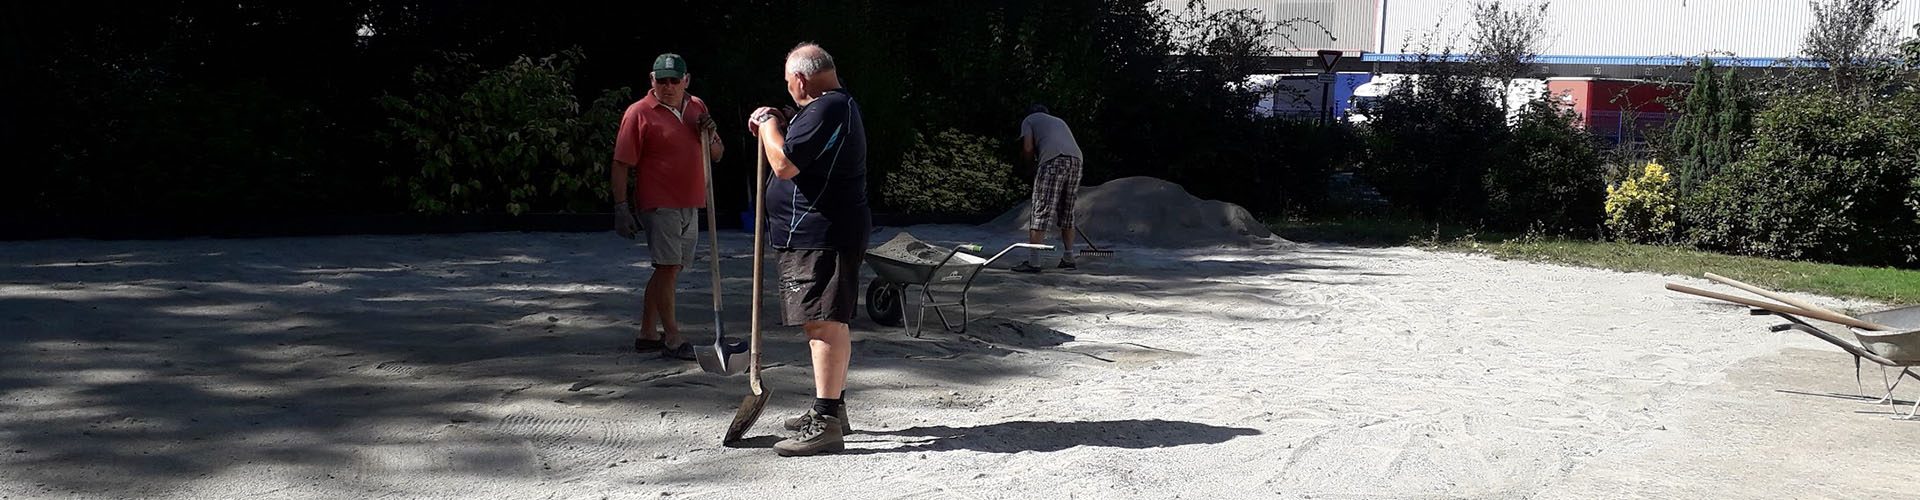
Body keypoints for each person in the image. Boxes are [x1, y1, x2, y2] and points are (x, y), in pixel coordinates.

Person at [747, 42, 871, 457]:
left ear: (800, 78)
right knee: (825, 321)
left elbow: (785, 164)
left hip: (821, 235)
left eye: (788, 84)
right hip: (819, 233)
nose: (788, 90)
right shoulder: (829, 108)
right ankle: (832, 406)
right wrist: (783, 120)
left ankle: (826, 421)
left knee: (823, 323)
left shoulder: (827, 108)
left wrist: (767, 124)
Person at [611, 53, 723, 361]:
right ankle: (673, 337)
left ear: (686, 80)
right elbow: (621, 163)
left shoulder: (697, 107)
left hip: (692, 201)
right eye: (662, 80)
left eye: (675, 80)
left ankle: (648, 333)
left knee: (669, 269)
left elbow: (716, 154)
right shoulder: (639, 113)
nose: (669, 86)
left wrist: (709, 134)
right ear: (652, 80)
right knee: (668, 267)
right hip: (659, 202)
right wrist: (621, 206)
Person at [1012, 104, 1085, 273]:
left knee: (1041, 208)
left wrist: (1029, 166)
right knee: (1067, 211)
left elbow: (1028, 148)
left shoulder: (1029, 120)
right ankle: (1068, 258)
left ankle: (1034, 261)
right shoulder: (1058, 121)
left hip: (1053, 161)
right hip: (1076, 161)